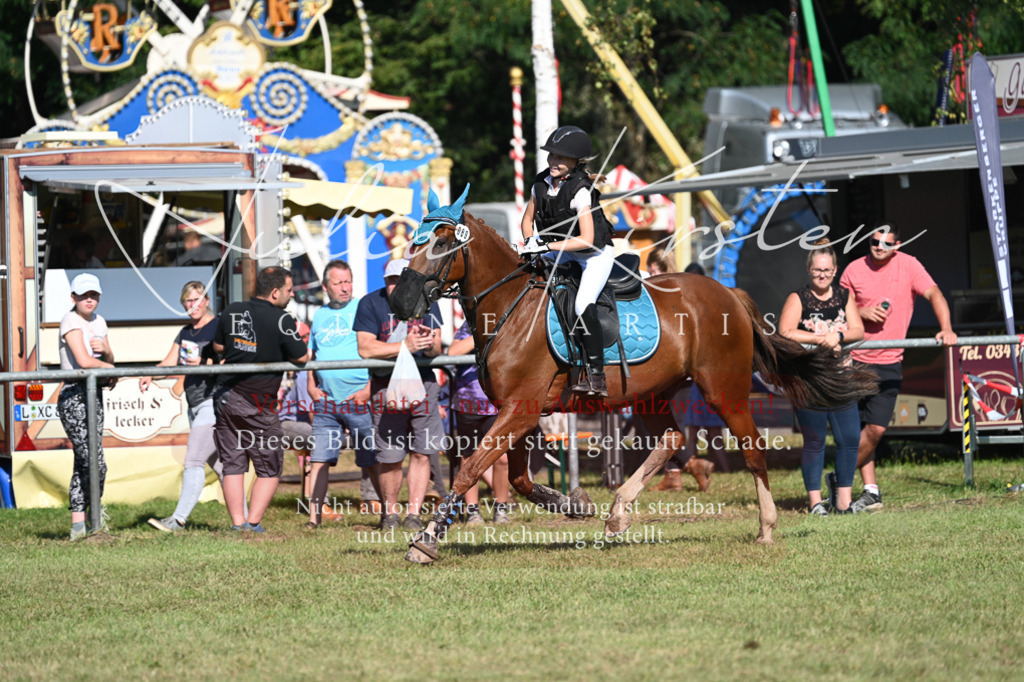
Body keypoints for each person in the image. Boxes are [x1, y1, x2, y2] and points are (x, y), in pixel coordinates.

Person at [840, 223, 958, 512]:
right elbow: (834, 311)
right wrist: (861, 312)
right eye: (874, 242)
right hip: (853, 360)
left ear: (898, 245)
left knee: (876, 430)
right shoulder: (853, 269)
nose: (879, 247)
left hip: (889, 362)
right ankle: (870, 491)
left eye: (886, 243)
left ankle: (838, 479)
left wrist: (947, 329)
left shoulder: (910, 266)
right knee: (856, 431)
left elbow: (935, 295)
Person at [519, 125, 615, 397]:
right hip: (561, 249)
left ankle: (596, 375)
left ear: (575, 162)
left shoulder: (581, 190)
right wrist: (530, 245)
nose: (553, 162)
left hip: (593, 254)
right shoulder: (540, 183)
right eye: (551, 156)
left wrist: (545, 244)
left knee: (584, 303)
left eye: (560, 158)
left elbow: (585, 239)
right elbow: (527, 220)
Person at [212, 266, 309, 532]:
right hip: (257, 403)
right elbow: (301, 357)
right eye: (289, 291)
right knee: (269, 467)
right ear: (275, 291)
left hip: (225, 398)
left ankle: (237, 524)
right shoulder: (283, 319)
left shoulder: (231, 310)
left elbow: (219, 346)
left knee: (233, 464)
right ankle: (252, 524)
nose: (291, 296)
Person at [354, 258, 443, 532]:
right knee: (389, 455)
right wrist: (404, 344)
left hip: (423, 384)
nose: (396, 285)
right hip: (385, 385)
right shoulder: (370, 303)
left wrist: (427, 342)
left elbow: (437, 349)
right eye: (391, 280)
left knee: (421, 451)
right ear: (384, 282)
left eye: (401, 280)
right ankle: (390, 515)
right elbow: (365, 349)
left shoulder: (428, 300)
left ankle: (413, 514)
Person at [779, 240, 865, 515]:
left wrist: (838, 335)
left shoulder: (843, 296)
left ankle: (844, 501)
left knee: (850, 439)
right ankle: (816, 503)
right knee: (815, 441)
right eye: (817, 270)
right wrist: (820, 340)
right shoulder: (798, 298)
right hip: (811, 381)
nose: (822, 275)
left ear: (835, 270)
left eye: (827, 270)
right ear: (808, 270)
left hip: (842, 378)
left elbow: (859, 330)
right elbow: (786, 331)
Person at [305, 260, 381, 529]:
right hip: (326, 401)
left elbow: (376, 351)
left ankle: (388, 514)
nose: (344, 287)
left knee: (370, 460)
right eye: (338, 283)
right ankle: (314, 519)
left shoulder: (365, 308)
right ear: (326, 286)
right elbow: (312, 357)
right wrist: (312, 387)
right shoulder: (319, 316)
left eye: (347, 281)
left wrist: (368, 390)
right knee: (319, 460)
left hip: (358, 399)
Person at [143, 282, 223, 532]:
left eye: (198, 299)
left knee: (194, 460)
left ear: (207, 301)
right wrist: (148, 374)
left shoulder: (218, 326)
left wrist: (203, 362)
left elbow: (228, 360)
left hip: (213, 402)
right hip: (194, 405)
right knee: (222, 465)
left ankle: (178, 520)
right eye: (189, 301)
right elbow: (169, 362)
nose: (193, 305)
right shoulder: (185, 332)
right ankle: (244, 520)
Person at [649, 261, 721, 492]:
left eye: (656, 271)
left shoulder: (680, 303)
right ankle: (681, 470)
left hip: (680, 373)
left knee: (669, 424)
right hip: (680, 373)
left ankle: (686, 467)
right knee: (666, 422)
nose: (653, 275)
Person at [58, 273, 115, 540]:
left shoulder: (100, 321)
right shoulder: (70, 320)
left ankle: (80, 526)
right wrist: (112, 368)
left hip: (95, 394)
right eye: (83, 295)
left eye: (93, 294)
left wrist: (107, 353)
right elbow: (82, 361)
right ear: (73, 298)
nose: (89, 299)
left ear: (100, 297)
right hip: (74, 396)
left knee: (85, 461)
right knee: (94, 462)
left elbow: (108, 356)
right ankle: (93, 519)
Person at [448, 321, 510, 525]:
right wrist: (482, 335)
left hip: (498, 402)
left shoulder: (511, 322)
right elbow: (453, 352)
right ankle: (472, 511)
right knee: (470, 458)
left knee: (502, 459)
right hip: (468, 402)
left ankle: (501, 509)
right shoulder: (472, 325)